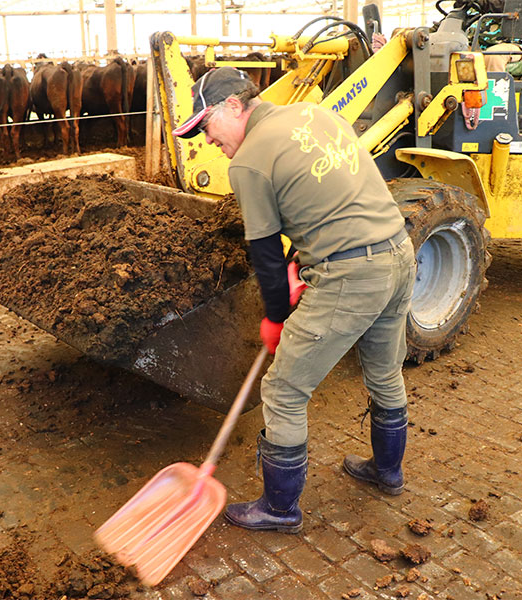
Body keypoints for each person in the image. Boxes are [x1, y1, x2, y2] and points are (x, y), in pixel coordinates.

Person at [174, 67, 417, 533]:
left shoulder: (248, 163)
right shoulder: (314, 114)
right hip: (398, 253)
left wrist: (276, 315)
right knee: (385, 372)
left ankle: (279, 509)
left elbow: (265, 252)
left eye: (206, 125)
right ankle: (388, 472)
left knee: (284, 391)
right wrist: (300, 263)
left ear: (234, 106)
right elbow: (321, 200)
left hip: (350, 274)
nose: (207, 139)